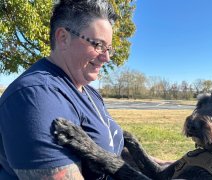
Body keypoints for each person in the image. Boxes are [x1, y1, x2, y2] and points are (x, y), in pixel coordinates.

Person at [0, 0, 123, 179]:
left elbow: (114, 147)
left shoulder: (89, 92)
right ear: (63, 38)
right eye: (98, 45)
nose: (107, 58)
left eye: (109, 48)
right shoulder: (36, 97)